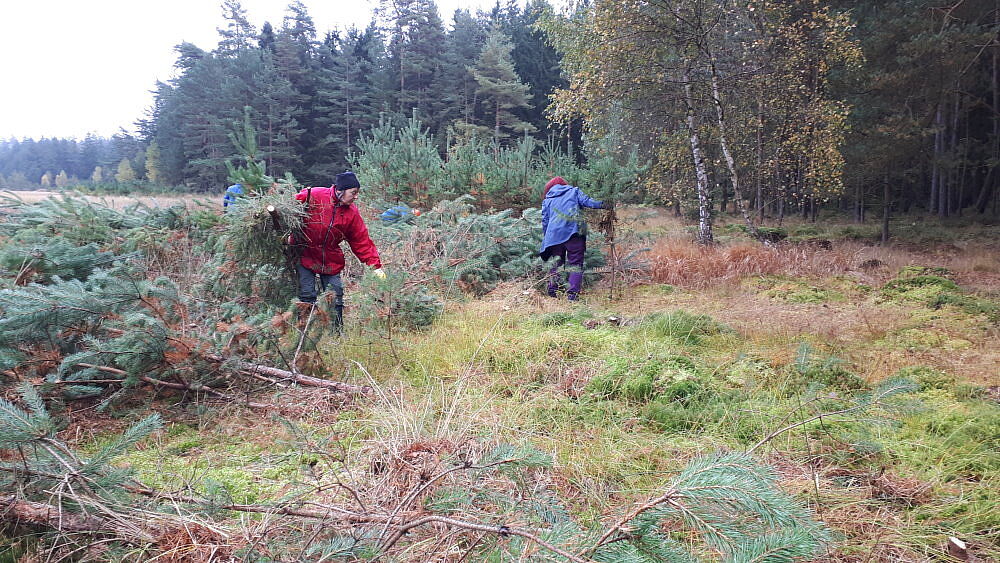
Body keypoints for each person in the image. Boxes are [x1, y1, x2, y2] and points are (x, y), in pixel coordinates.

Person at [290, 171, 385, 331]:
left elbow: (361, 240)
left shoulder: (351, 213)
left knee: (335, 295)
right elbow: (288, 207)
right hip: (304, 254)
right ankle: (304, 333)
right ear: (340, 190)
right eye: (353, 193)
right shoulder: (314, 195)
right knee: (307, 295)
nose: (356, 197)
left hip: (330, 259)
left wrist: (375, 266)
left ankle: (336, 333)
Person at [538, 176, 610, 301]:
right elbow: (589, 202)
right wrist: (606, 204)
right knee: (576, 264)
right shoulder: (574, 191)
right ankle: (572, 296)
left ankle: (553, 293)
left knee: (556, 264)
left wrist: (547, 238)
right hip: (573, 233)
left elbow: (545, 221)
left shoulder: (547, 200)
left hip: (554, 236)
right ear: (564, 184)